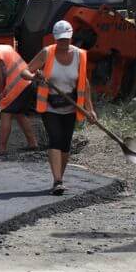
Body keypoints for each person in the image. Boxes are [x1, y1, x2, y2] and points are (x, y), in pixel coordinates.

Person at [22, 20, 97, 196]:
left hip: (70, 105)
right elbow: (24, 72)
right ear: (55, 38)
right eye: (60, 39)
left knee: (65, 145)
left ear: (71, 37)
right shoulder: (47, 53)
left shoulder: (80, 55)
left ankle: (59, 179)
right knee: (55, 139)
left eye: (66, 39)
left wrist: (90, 108)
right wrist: (36, 78)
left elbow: (84, 83)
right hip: (50, 105)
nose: (63, 42)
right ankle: (57, 180)